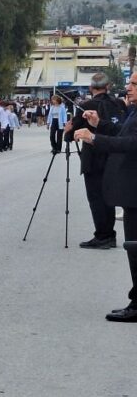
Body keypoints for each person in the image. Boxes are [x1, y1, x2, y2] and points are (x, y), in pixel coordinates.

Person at [72, 82, 137, 322]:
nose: (128, 88)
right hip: (130, 191)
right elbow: (122, 134)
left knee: (135, 248)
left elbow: (132, 144)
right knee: (133, 247)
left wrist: (94, 138)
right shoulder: (133, 111)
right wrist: (98, 124)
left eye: (134, 84)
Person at [64, 73, 126, 249]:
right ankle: (109, 235)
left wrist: (67, 130)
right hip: (115, 156)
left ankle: (103, 236)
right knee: (109, 197)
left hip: (94, 157)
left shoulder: (86, 106)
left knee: (96, 198)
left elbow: (71, 135)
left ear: (91, 88)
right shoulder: (119, 103)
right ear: (108, 87)